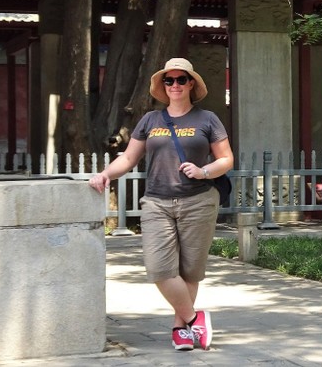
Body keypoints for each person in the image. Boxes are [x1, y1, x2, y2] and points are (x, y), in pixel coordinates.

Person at [89, 58, 234, 352]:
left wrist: (204, 171)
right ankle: (196, 319)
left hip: (198, 201)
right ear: (163, 85)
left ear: (192, 83)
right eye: (170, 80)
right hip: (156, 202)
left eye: (182, 80)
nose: (176, 85)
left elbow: (226, 159)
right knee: (160, 269)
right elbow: (128, 159)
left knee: (190, 270)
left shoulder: (207, 119)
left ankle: (180, 329)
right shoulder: (150, 121)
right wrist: (105, 174)